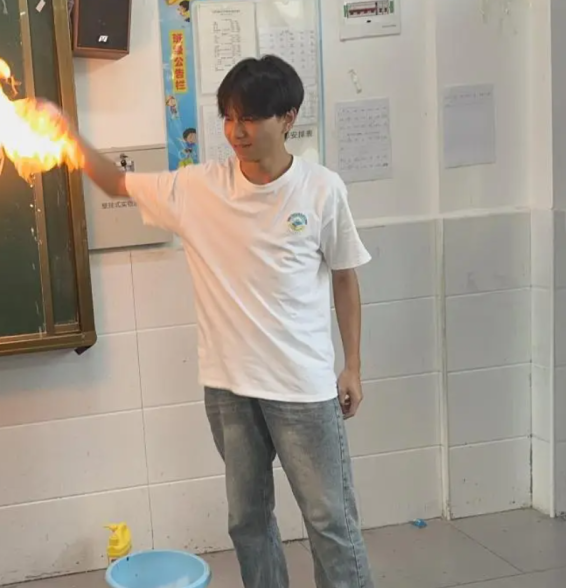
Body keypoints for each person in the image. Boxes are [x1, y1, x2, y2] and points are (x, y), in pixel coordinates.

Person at [60, 55, 374, 587]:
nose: (236, 131)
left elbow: (345, 278)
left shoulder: (322, 190)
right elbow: (114, 182)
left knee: (330, 523)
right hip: (229, 388)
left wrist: (353, 366)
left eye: (249, 117)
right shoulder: (199, 188)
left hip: (303, 388)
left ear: (288, 117)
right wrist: (64, 133)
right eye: (228, 117)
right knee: (247, 521)